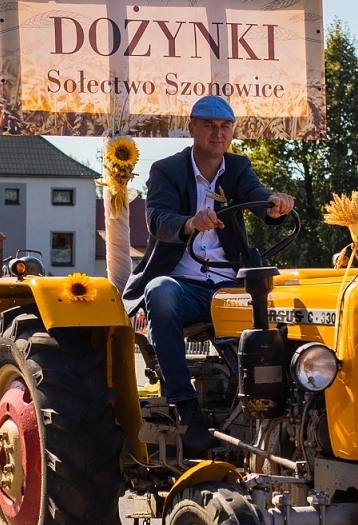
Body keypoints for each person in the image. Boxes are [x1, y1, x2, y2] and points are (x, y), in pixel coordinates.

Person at [122, 95, 293, 449]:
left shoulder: (238, 167)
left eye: (225, 127)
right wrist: (189, 222)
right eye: (210, 126)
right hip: (184, 286)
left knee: (287, 302)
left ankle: (278, 400)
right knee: (160, 292)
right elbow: (158, 220)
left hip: (229, 285)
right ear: (192, 129)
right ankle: (184, 403)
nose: (218, 133)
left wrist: (274, 205)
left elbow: (256, 195)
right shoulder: (167, 171)